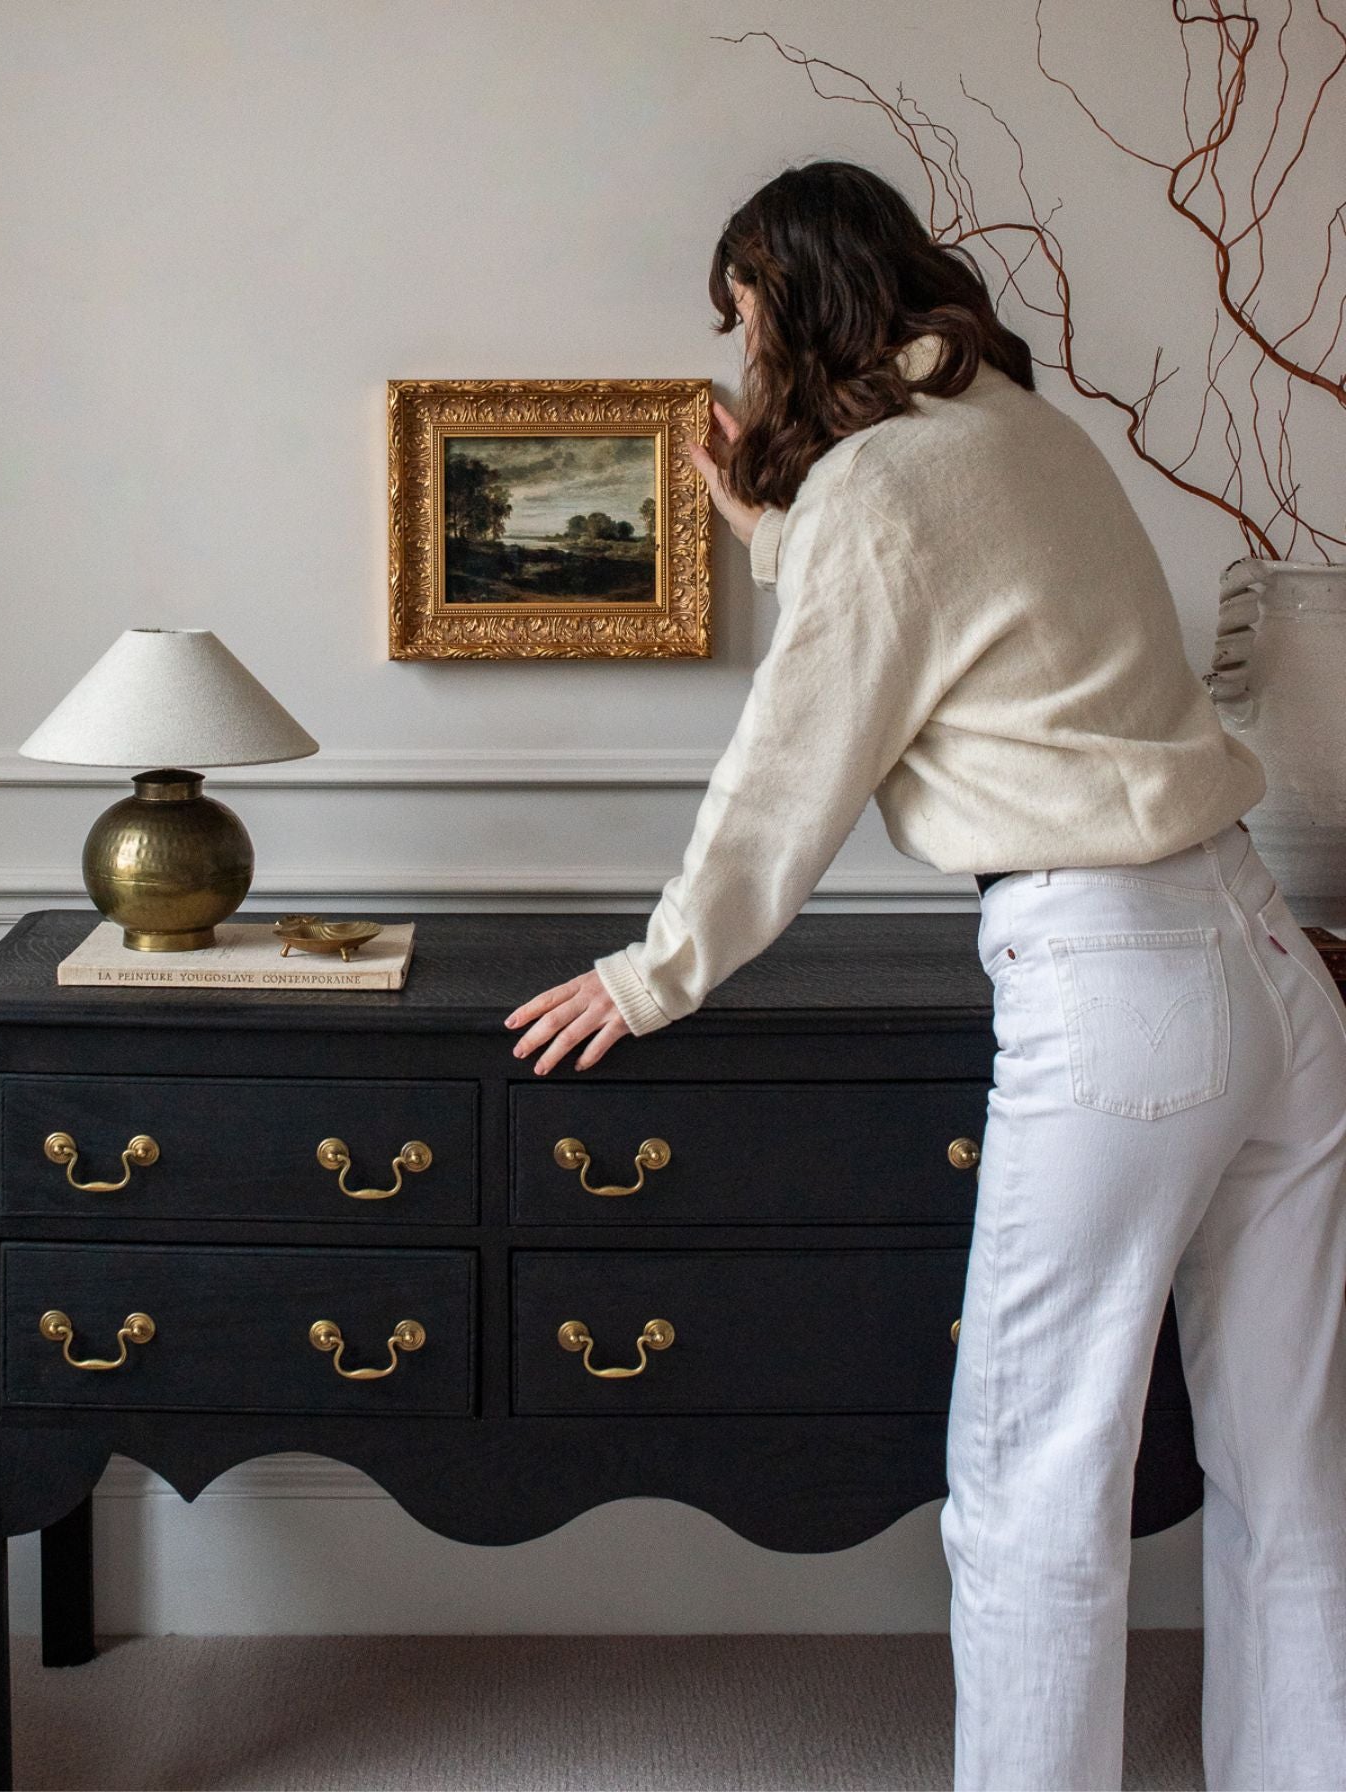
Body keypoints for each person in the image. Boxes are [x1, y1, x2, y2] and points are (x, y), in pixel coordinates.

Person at [502, 159, 1346, 1790]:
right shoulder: (1017, 430)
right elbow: (949, 616)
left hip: (1121, 990)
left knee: (1032, 1478)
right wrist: (778, 530)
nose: (741, 355)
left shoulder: (877, 493)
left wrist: (650, 976)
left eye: (741, 317)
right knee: (1291, 1475)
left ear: (789, 305)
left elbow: (789, 768)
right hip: (1265, 970)